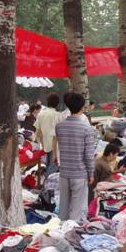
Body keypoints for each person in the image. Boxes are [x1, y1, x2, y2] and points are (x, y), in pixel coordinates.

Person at [55, 92, 96, 221]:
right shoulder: (87, 128)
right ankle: (71, 230)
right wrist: (91, 173)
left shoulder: (59, 127)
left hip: (64, 172)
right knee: (76, 210)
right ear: (82, 107)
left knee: (63, 208)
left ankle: (61, 229)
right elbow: (89, 155)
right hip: (79, 173)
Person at [35, 93, 62, 175]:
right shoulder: (59, 115)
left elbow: (38, 132)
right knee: (53, 170)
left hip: (44, 146)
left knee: (48, 167)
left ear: (47, 102)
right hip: (56, 146)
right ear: (57, 104)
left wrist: (42, 145)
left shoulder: (41, 114)